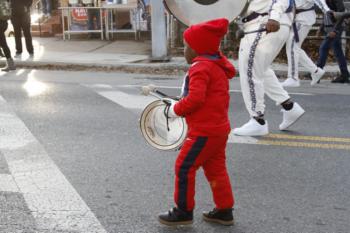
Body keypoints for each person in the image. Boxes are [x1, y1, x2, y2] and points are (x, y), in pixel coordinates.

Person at [158, 18, 236, 226]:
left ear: (197, 49)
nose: (184, 50)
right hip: (219, 130)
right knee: (216, 169)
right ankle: (224, 209)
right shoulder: (216, 66)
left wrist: (175, 109)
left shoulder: (200, 67)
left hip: (204, 131)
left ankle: (183, 212)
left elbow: (195, 99)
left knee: (184, 167)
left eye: (186, 46)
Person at [232, 0, 305, 136]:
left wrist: (274, 17)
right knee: (260, 69)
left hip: (265, 22)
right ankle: (288, 106)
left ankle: (257, 120)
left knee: (250, 71)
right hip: (266, 22)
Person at [282, 0, 331, 87]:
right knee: (294, 47)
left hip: (303, 19)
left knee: (292, 47)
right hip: (297, 18)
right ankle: (316, 71)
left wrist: (327, 11)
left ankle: (293, 78)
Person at [316, 0, 349, 83]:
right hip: (331, 27)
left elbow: (342, 15)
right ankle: (344, 74)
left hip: (336, 27)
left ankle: (317, 72)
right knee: (337, 51)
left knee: (323, 48)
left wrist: (334, 31)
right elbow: (327, 14)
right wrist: (320, 28)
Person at [0, 0, 15, 71]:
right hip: (4, 22)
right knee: (3, 43)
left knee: (3, 43)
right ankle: (11, 64)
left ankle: (11, 64)